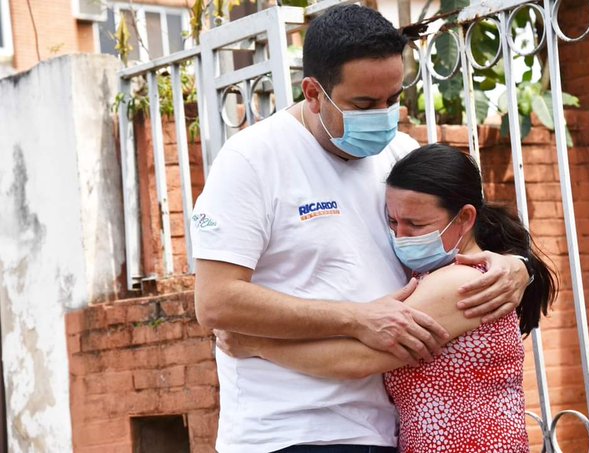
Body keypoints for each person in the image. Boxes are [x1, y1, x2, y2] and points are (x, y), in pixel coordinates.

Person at [190, 5, 532, 453]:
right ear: (313, 93)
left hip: (387, 428)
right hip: (291, 430)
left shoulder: (400, 153)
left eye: (392, 98)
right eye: (365, 104)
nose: (383, 116)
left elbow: (466, 233)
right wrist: (356, 317)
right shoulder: (253, 160)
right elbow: (216, 301)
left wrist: (516, 266)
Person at [221, 144, 558, 452]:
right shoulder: (433, 275)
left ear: (466, 218)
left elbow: (356, 360)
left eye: (416, 224)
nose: (400, 236)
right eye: (392, 221)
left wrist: (257, 345)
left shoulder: (461, 282)